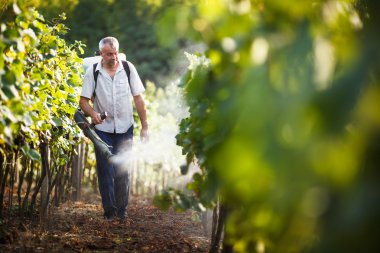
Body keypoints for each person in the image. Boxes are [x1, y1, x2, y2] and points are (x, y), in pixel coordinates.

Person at [79, 36, 148, 220]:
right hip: (103, 131)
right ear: (101, 54)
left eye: (116, 53)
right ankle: (109, 212)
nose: (114, 57)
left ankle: (122, 211)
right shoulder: (93, 72)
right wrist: (93, 113)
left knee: (123, 170)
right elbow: (83, 102)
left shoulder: (128, 68)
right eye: (109, 54)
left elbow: (138, 99)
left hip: (125, 128)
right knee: (105, 171)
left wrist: (145, 127)